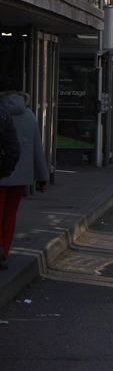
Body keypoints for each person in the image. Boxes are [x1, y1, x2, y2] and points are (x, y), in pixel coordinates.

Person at [0, 79, 48, 271]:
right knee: (10, 213)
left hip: (1, 173)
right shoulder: (29, 115)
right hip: (21, 175)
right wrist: (42, 177)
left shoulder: (1, 115)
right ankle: (5, 251)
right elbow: (38, 148)